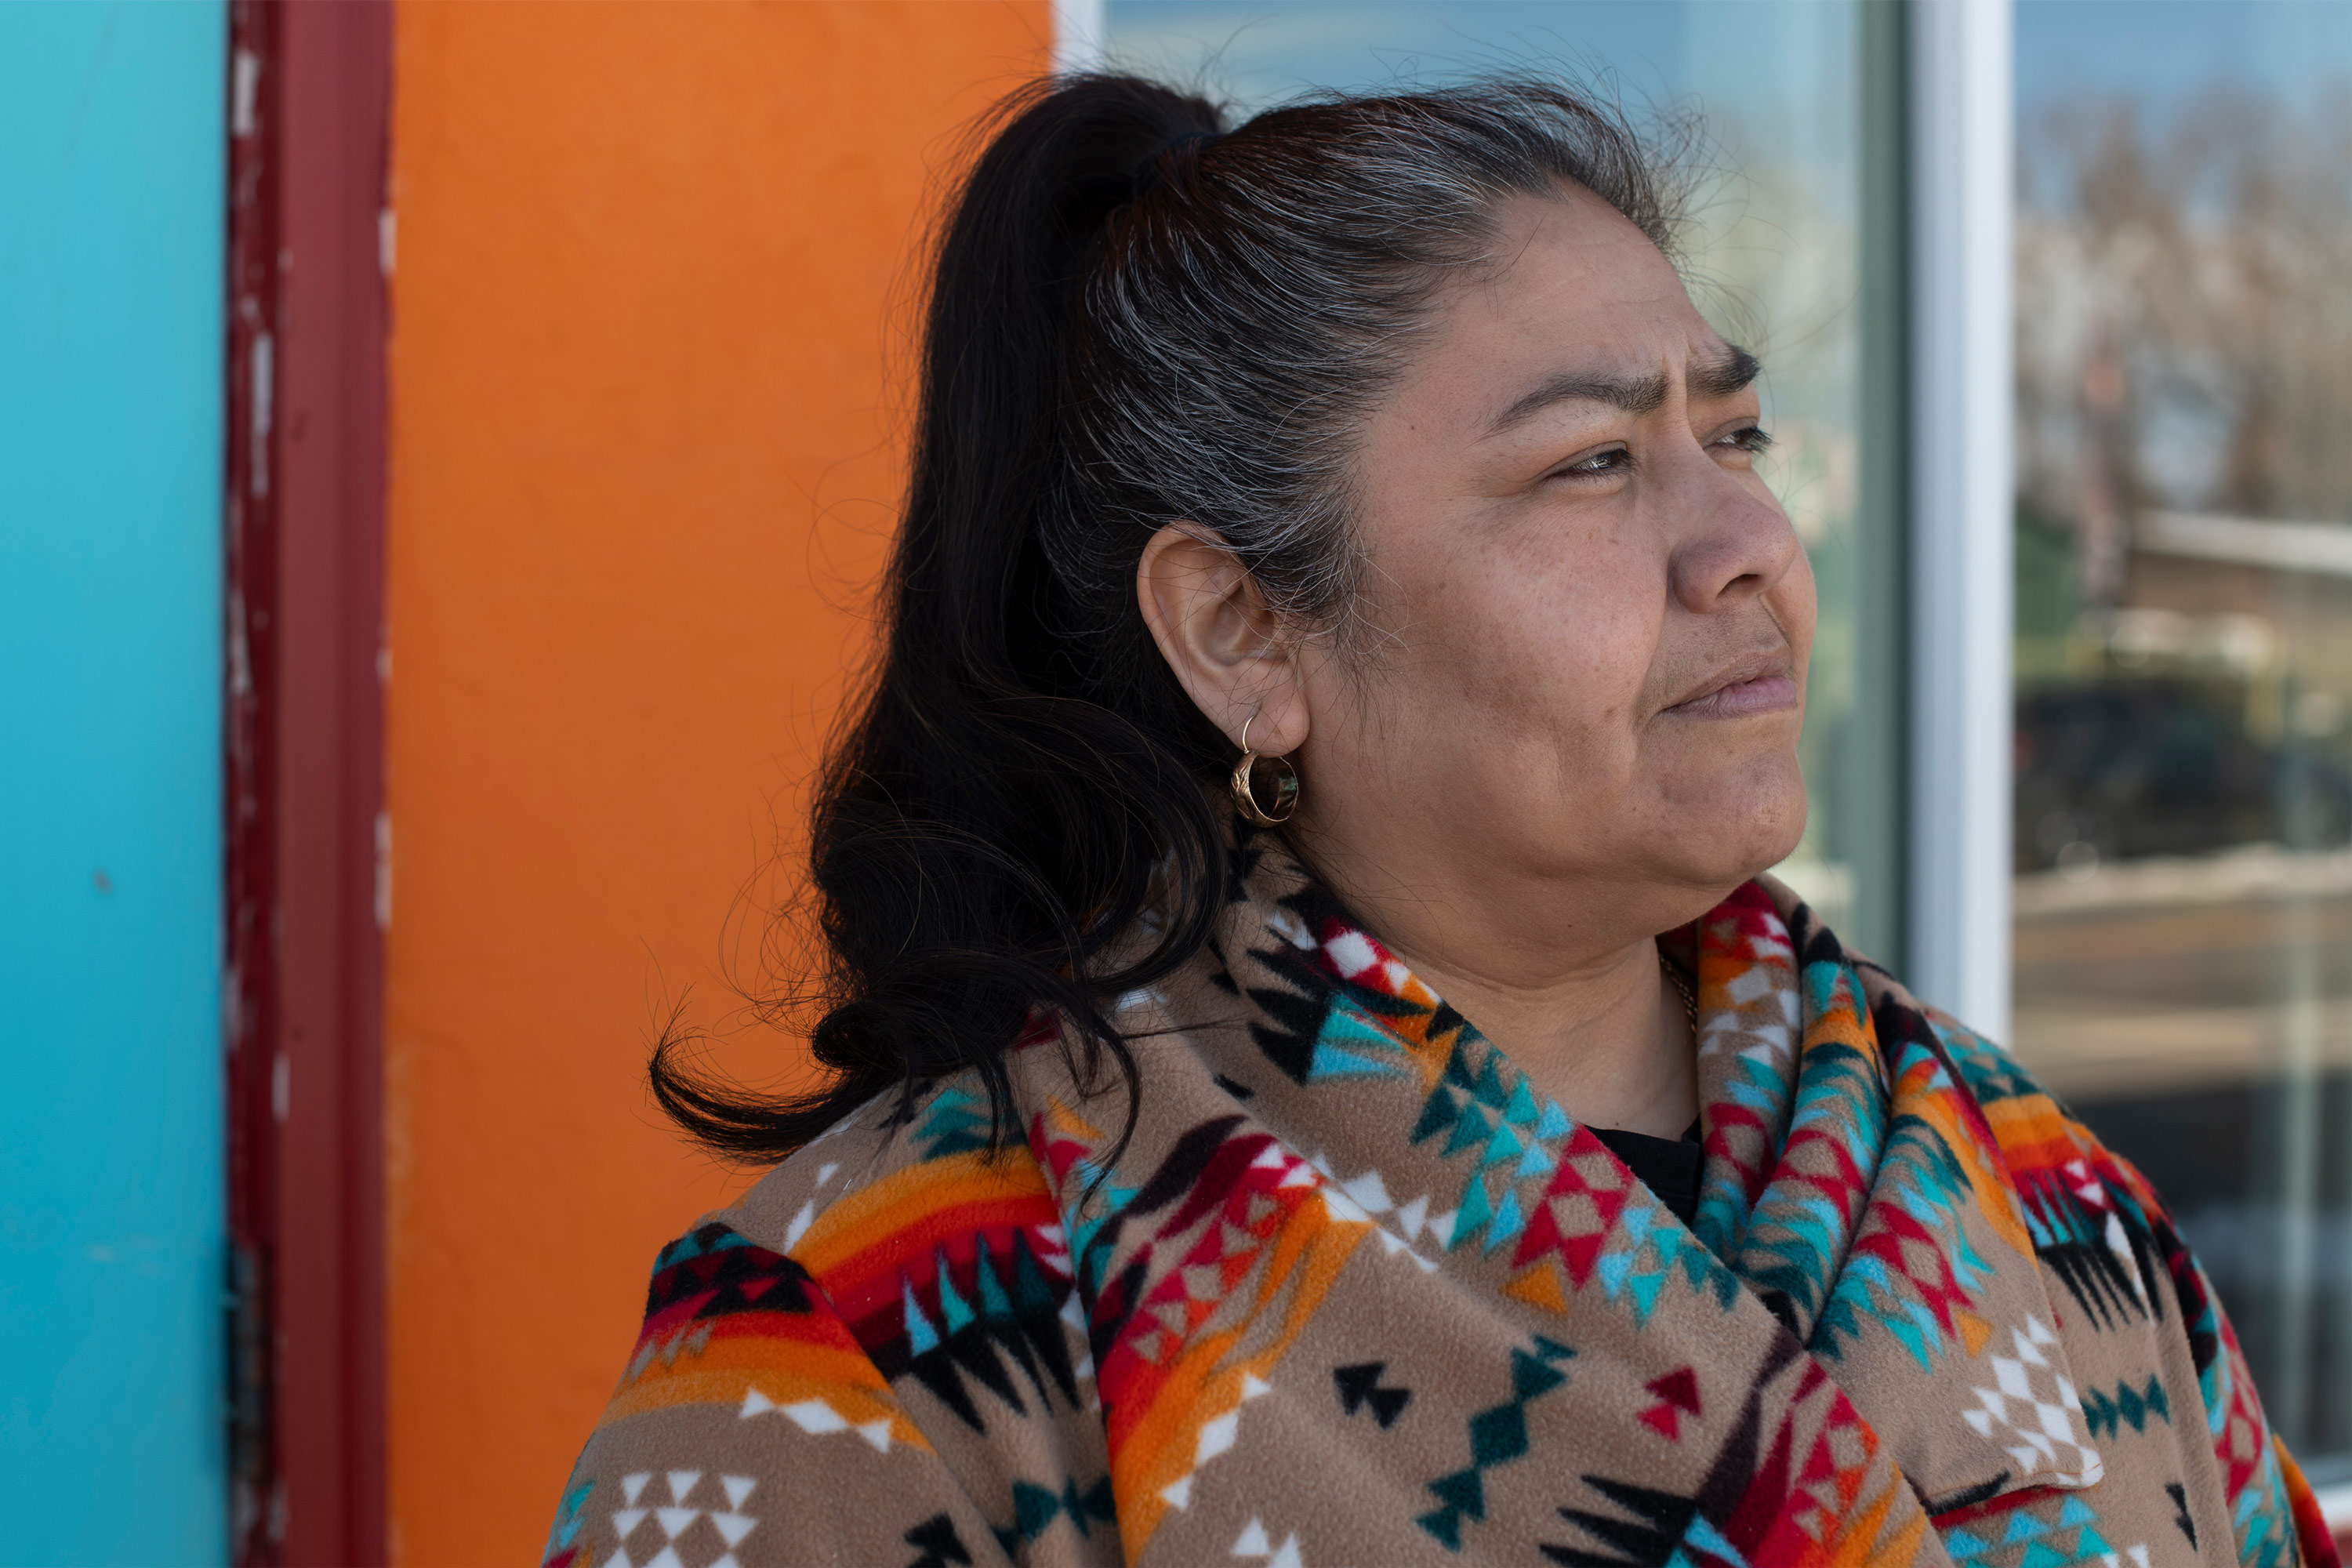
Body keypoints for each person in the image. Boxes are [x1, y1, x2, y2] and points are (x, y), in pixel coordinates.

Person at [543, 74, 2339, 1568]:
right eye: (1592, 463)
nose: (1746, 548)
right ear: (1245, 634)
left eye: (1740, 436)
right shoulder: (896, 1336)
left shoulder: (2037, 1196)